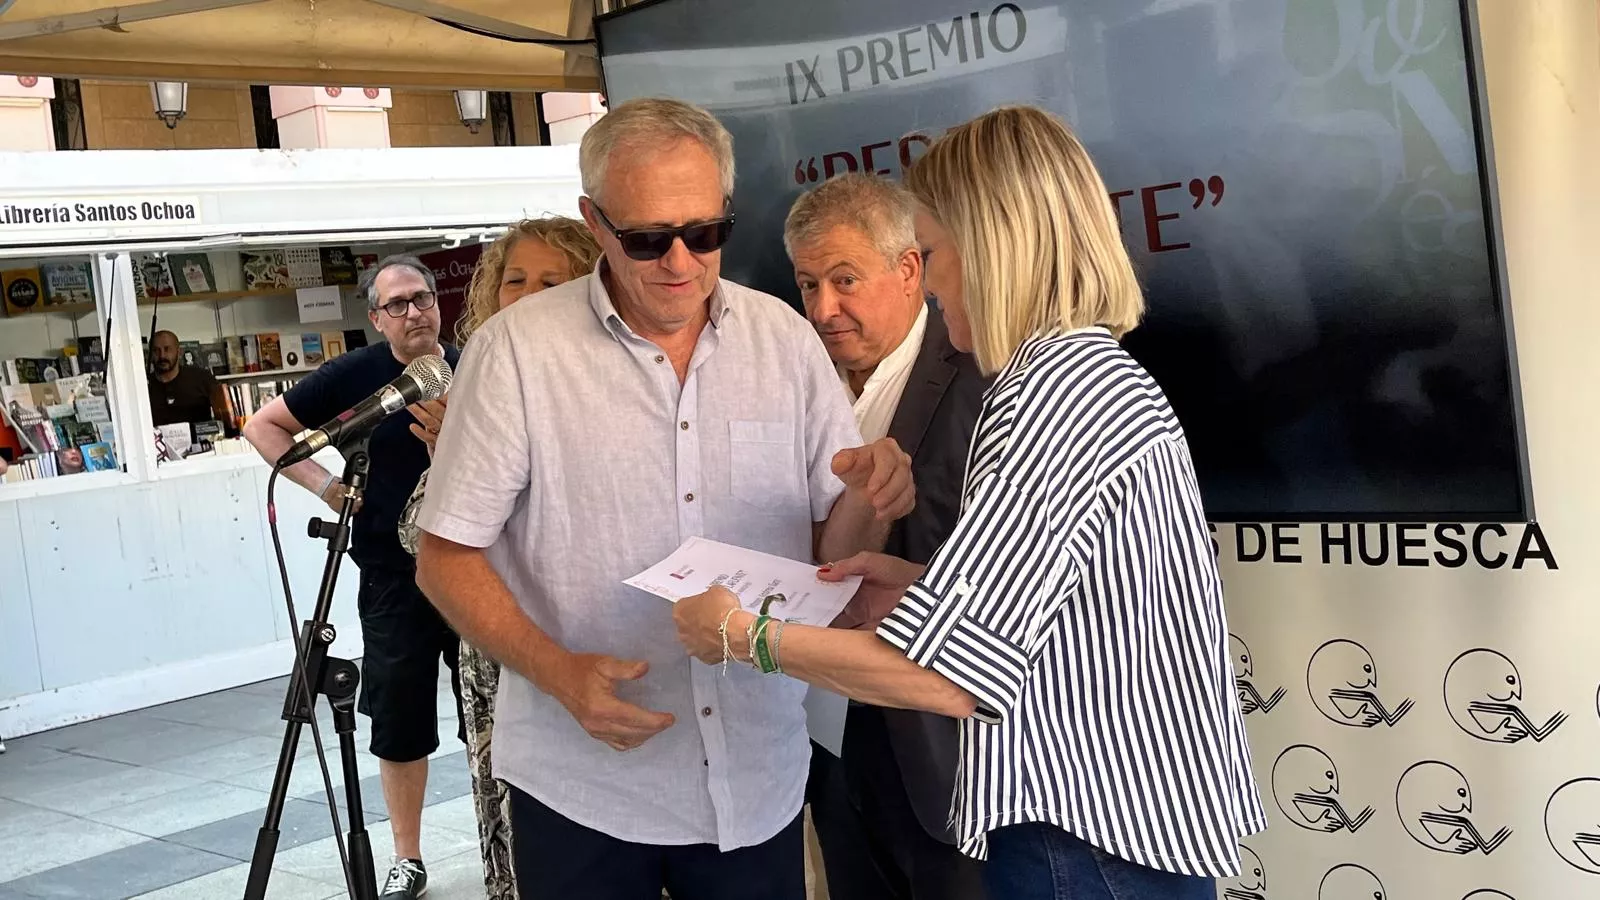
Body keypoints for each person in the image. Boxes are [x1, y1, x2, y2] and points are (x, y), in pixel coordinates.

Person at [673, 105, 1266, 900]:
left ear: (989, 247)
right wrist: (920, 588)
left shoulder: (1056, 392)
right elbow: (1077, 616)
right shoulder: (1082, 374)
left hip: (1083, 839)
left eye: (932, 251)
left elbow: (951, 679)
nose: (930, 277)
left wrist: (743, 636)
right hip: (1105, 836)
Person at [412, 97, 915, 900]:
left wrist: (872, 498)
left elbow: (827, 548)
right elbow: (444, 558)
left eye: (705, 232)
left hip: (756, 774)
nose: (680, 260)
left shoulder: (783, 338)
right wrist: (559, 674)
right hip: (585, 785)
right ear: (595, 222)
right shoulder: (517, 351)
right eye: (648, 238)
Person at [784, 173, 989, 900]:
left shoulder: (986, 379)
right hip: (827, 740)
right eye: (808, 284)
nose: (823, 308)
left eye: (844, 280)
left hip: (950, 759)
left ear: (909, 269)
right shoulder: (793, 382)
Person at [242, 255, 465, 900]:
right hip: (394, 575)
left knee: (495, 710)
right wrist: (329, 487)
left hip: (478, 567)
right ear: (375, 318)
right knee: (398, 716)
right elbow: (264, 425)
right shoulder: (358, 378)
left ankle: (502, 835)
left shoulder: (474, 363)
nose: (414, 311)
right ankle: (407, 857)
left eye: (422, 298)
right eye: (397, 304)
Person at [397, 216, 603, 900]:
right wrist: (449, 454)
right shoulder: (478, 388)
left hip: (583, 654)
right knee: (519, 849)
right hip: (495, 661)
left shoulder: (615, 387)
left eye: (552, 279)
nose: (528, 294)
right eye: (514, 280)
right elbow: (418, 537)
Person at [147, 329, 229, 433]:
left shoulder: (202, 378)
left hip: (203, 446)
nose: (162, 355)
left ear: (179, 352)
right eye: (156, 351)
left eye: (167, 349)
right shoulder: (143, 386)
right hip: (158, 448)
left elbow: (226, 416)